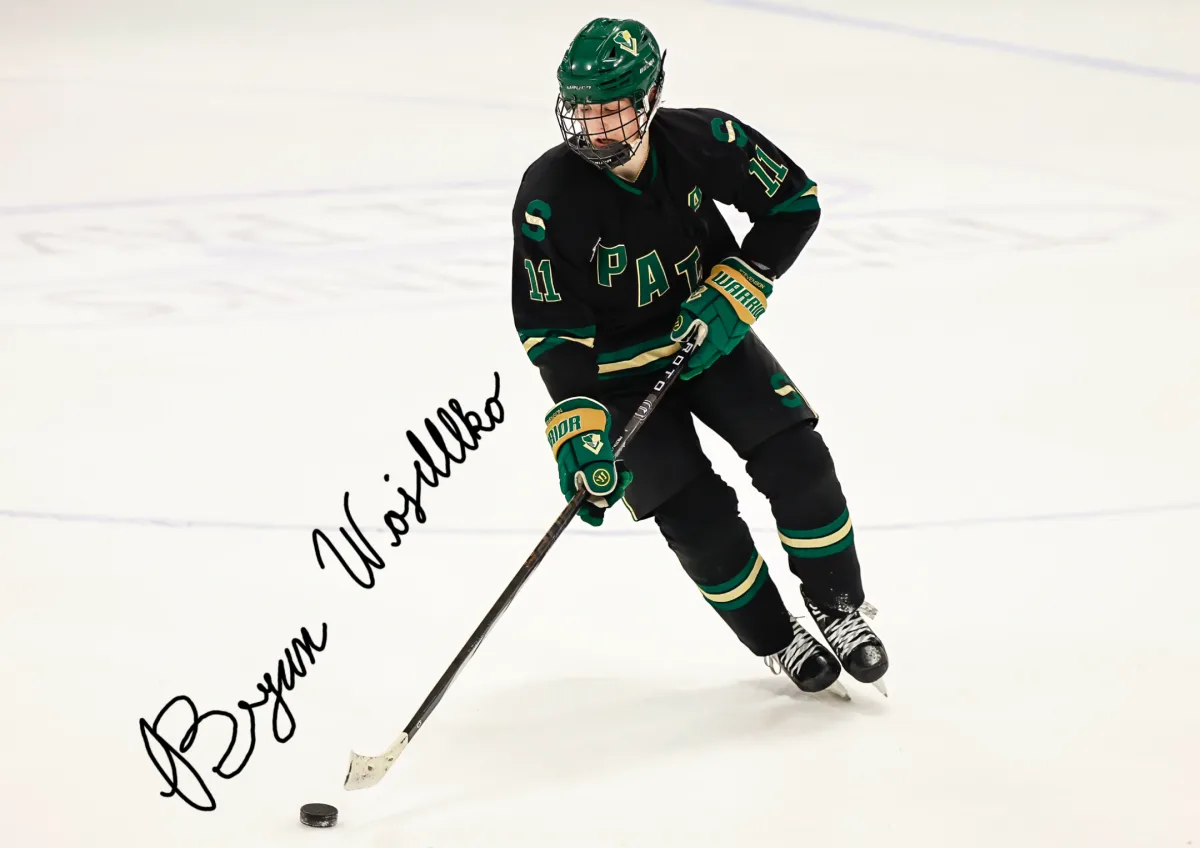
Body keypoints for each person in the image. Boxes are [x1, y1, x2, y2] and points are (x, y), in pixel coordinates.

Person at [510, 17, 888, 697]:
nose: (595, 130)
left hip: (707, 340)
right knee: (694, 515)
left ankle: (839, 607)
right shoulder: (546, 198)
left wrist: (747, 276)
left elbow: (793, 199)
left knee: (798, 458)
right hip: (617, 380)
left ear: (651, 95)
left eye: (613, 111)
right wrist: (577, 423)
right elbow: (551, 326)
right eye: (583, 113)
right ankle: (778, 638)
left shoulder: (703, 140)